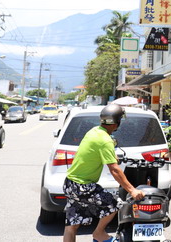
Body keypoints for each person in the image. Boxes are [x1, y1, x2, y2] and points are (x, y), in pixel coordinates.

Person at [63, 104, 145, 242]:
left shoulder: (94, 131)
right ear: (117, 122)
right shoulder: (105, 140)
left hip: (70, 184)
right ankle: (99, 233)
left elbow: (95, 150)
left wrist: (112, 154)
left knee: (72, 224)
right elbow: (114, 170)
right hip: (83, 186)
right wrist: (132, 190)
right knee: (115, 203)